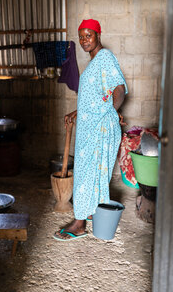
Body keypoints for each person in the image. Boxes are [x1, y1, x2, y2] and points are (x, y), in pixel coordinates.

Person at [54, 19, 128, 241]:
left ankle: (79, 224)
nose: (85, 40)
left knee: (89, 174)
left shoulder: (105, 57)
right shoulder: (94, 61)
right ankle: (87, 218)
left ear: (98, 35)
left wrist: (111, 114)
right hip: (90, 128)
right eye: (82, 36)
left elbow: (119, 89)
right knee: (88, 174)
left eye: (89, 35)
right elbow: (96, 99)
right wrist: (76, 113)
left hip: (99, 129)